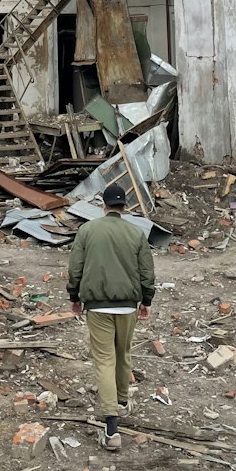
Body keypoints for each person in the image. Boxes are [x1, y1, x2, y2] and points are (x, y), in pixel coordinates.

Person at [67, 182, 155, 452]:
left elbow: (75, 268)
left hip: (97, 306)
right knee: (123, 354)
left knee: (104, 360)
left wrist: (74, 297)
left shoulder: (87, 230)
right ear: (124, 207)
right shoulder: (136, 232)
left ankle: (112, 427)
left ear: (103, 206)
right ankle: (123, 401)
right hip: (127, 306)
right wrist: (146, 300)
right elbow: (146, 272)